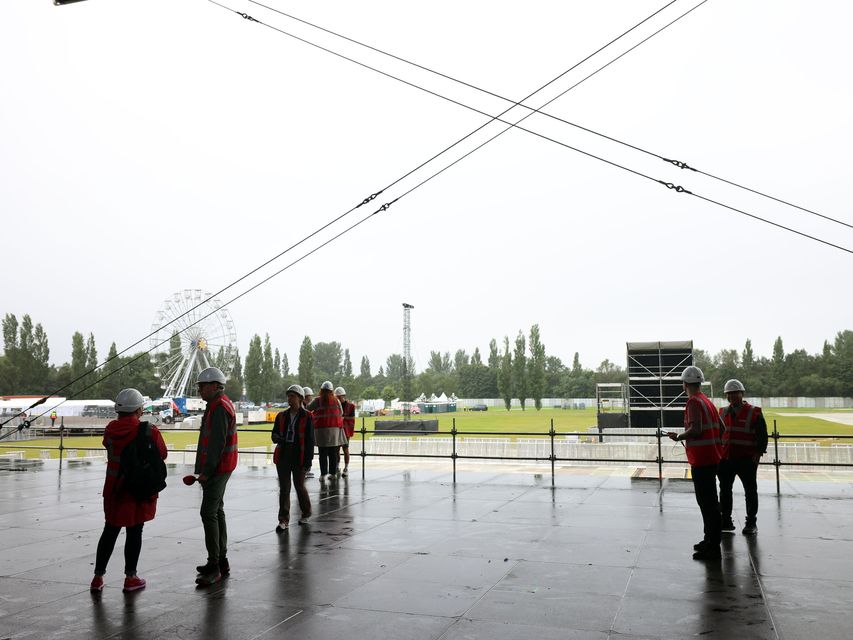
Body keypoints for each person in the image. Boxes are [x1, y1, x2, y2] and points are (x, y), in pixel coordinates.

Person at [90, 388, 167, 593]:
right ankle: (130, 577)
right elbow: (162, 453)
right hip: (136, 490)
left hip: (114, 488)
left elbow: (109, 446)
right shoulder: (149, 430)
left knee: (110, 530)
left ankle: (97, 577)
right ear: (139, 409)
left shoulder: (110, 430)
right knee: (135, 531)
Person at [667, 366, 724, 560]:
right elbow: (722, 427)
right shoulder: (707, 401)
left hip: (701, 460)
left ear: (684, 384)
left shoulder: (693, 402)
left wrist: (679, 436)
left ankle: (712, 545)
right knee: (711, 502)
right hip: (713, 457)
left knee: (706, 503)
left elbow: (696, 429)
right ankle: (710, 540)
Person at [193, 367, 238, 586]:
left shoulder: (219, 408)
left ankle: (214, 566)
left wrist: (206, 472)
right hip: (223, 466)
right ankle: (222, 560)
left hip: (218, 469)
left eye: (202, 386)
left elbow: (216, 444)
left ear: (214, 385)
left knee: (208, 512)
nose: (199, 390)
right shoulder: (218, 405)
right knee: (217, 511)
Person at [718, 379, 767, 536]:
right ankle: (726, 520)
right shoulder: (722, 412)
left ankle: (751, 523)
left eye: (735, 393)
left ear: (742, 394)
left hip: (746, 459)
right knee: (725, 490)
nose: (732, 396)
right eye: (729, 394)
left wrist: (758, 454)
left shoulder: (754, 412)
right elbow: (718, 434)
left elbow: (762, 436)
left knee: (750, 491)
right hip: (726, 458)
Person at [272, 384, 314, 531]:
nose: (289, 399)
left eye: (293, 396)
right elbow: (273, 435)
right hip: (284, 455)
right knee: (284, 488)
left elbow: (310, 441)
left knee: (299, 486)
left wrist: (308, 461)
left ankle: (306, 512)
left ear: (301, 398)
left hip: (299, 455)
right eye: (288, 396)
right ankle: (283, 520)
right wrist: (278, 438)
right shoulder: (281, 416)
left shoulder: (308, 417)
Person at [307, 381, 346, 480]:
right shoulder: (336, 400)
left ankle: (323, 474)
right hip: (334, 430)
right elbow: (341, 412)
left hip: (321, 430)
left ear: (321, 390)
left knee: (322, 453)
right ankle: (332, 474)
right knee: (333, 453)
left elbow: (307, 409)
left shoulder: (317, 400)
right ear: (331, 391)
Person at [335, 386, 355, 477]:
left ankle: (346, 467)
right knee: (336, 450)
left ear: (344, 396)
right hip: (337, 430)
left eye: (340, 397)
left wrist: (343, 418)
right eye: (337, 397)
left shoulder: (351, 406)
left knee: (345, 449)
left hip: (346, 430)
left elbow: (352, 418)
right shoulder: (334, 405)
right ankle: (337, 466)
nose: (338, 399)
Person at [301, 386, 315, 478]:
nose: (311, 398)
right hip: (304, 434)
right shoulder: (303, 407)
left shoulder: (306, 406)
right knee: (306, 452)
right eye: (310, 396)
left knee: (309, 451)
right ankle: (304, 470)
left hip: (309, 433)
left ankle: (306, 470)